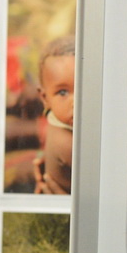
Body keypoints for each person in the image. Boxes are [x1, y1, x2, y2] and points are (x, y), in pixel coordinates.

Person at [32, 35, 75, 194]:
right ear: (45, 98)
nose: (76, 101)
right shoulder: (67, 143)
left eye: (85, 88)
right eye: (63, 92)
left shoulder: (58, 121)